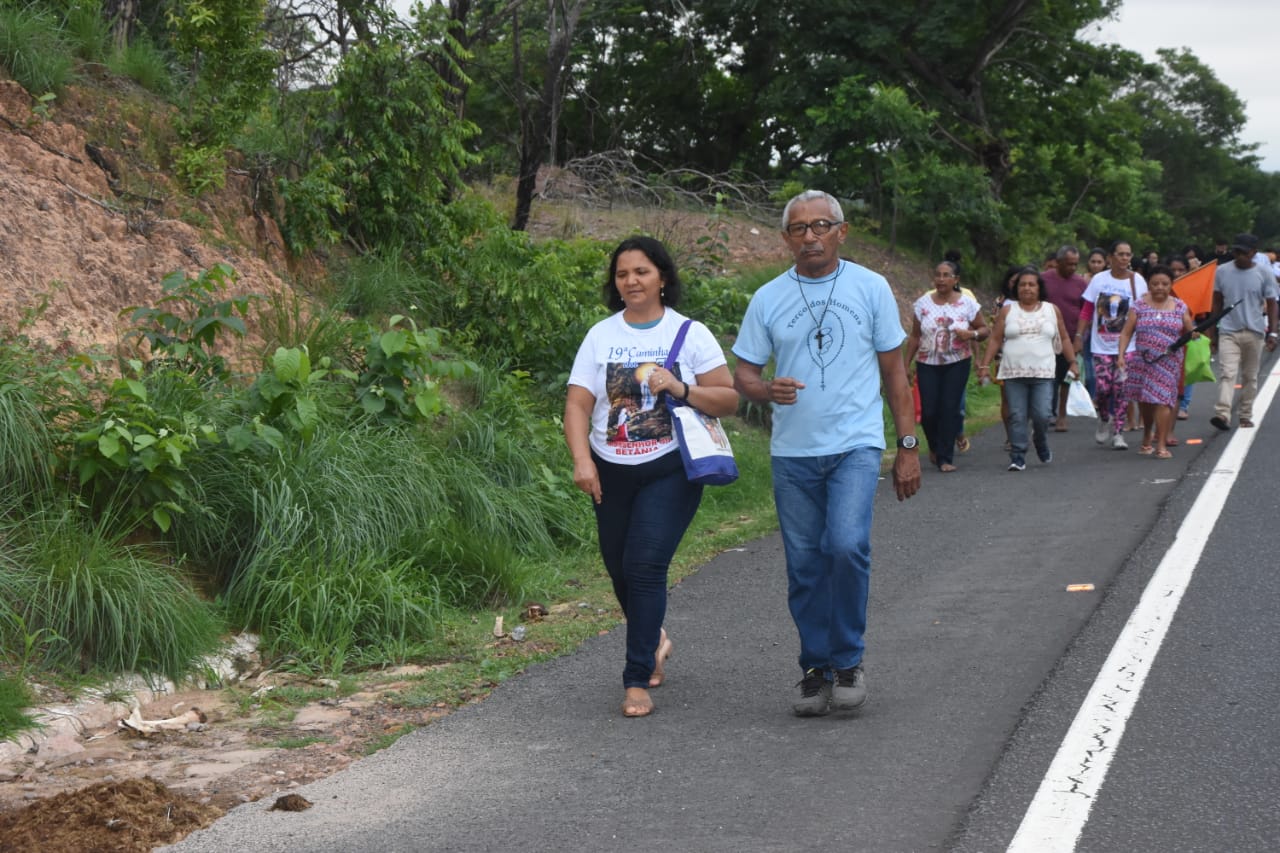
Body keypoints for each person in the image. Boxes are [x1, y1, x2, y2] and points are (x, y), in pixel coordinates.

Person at [732, 189, 920, 717]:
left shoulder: (871, 287)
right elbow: (743, 373)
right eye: (799, 229)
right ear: (787, 238)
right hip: (792, 454)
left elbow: (895, 375)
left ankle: (848, 662)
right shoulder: (768, 297)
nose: (810, 236)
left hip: (856, 446)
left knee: (845, 546)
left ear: (842, 231)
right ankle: (815, 669)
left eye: (821, 226)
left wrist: (907, 448)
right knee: (805, 565)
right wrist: (766, 389)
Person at [565, 236, 739, 718]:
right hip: (610, 467)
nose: (631, 281)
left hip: (671, 467)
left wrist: (680, 387)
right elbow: (579, 404)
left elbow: (728, 398)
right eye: (622, 274)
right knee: (620, 568)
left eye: (641, 271)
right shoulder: (601, 335)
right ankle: (655, 637)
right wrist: (582, 460)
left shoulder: (691, 332)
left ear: (662, 276)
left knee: (644, 566)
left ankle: (636, 678)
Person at [977, 267, 1078, 470]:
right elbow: (996, 338)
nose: (1027, 288)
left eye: (1032, 284)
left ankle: (1040, 442)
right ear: (1016, 288)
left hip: (1043, 372)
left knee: (1042, 415)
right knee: (1016, 415)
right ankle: (1018, 456)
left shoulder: (1051, 310)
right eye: (1023, 284)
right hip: (1014, 372)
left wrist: (1073, 362)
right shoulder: (1008, 310)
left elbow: (1065, 337)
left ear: (1039, 288)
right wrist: (985, 365)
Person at [903, 260, 986, 472]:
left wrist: (971, 334)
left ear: (955, 279)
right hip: (927, 363)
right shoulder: (923, 303)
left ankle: (945, 458)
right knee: (929, 412)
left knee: (949, 408)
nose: (941, 279)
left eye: (946, 275)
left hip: (957, 362)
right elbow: (914, 336)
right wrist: (905, 365)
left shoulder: (967, 304)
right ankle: (934, 446)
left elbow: (984, 330)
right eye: (938, 275)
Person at [1115, 265, 1194, 459]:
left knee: (1163, 401)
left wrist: (1195, 334)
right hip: (1143, 361)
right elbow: (1126, 332)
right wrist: (1121, 356)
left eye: (1165, 284)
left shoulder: (1180, 306)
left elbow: (1190, 332)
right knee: (1146, 401)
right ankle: (1146, 437)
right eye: (1155, 283)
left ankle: (1160, 444)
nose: (1160, 287)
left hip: (1169, 362)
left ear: (1171, 285)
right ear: (1148, 284)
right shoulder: (1139, 306)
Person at [1074, 240, 1146, 450]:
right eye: (1121, 254)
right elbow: (1087, 310)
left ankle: (1119, 433)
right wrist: (1079, 334)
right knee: (1103, 388)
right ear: (1111, 258)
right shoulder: (1099, 280)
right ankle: (1105, 417)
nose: (1125, 258)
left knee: (1122, 389)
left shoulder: (1137, 281)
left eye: (1128, 254)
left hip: (1127, 346)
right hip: (1101, 345)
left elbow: (1142, 309)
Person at [1208, 233, 1280, 431]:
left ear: (1253, 253)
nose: (1238, 255)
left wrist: (1272, 333)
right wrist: (1212, 334)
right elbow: (1216, 303)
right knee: (1227, 373)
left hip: (1254, 331)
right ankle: (1222, 414)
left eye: (1243, 252)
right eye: (1236, 251)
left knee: (1250, 376)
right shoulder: (1222, 271)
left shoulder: (1264, 273)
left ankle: (1245, 414)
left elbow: (1273, 304)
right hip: (1229, 330)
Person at [1041, 245, 1089, 431]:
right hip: (1045, 337)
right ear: (1058, 262)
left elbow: (1086, 311)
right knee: (1046, 376)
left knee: (1065, 377)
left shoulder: (1080, 283)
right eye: (1069, 264)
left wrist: (1080, 337)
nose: (1073, 268)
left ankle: (1062, 414)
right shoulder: (1044, 279)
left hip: (1069, 336)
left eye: (1076, 264)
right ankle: (1046, 412)